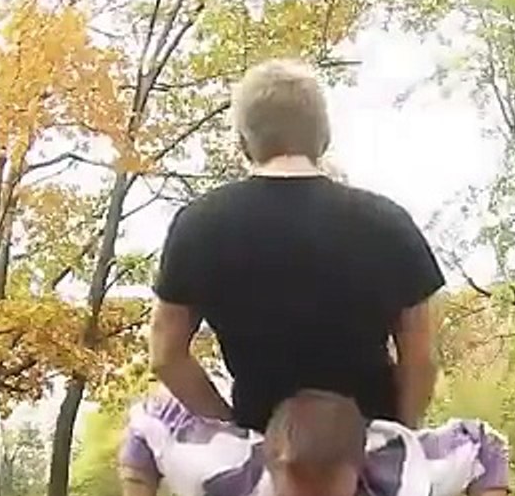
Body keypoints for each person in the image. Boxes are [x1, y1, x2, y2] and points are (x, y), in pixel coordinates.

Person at [149, 59, 445, 433]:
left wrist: (235, 431)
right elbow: (420, 359)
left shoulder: (198, 225)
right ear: (324, 137)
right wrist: (401, 436)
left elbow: (165, 354)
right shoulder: (387, 222)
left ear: (243, 141)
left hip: (265, 450)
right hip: (366, 446)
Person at [117, 388, 509, 496]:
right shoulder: (222, 481)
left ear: (362, 473)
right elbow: (148, 419)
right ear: (271, 473)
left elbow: (485, 443)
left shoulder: (415, 481)